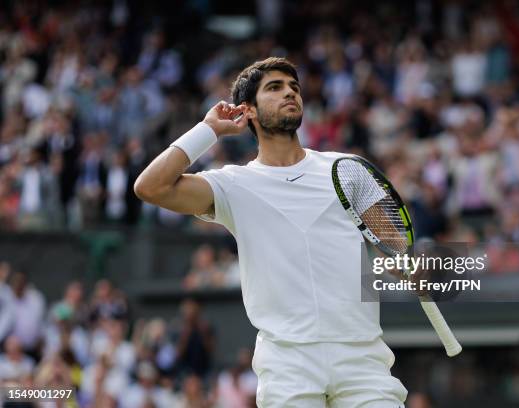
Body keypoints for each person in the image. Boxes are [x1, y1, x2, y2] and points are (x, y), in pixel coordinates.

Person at [134, 57, 407, 407]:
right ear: (248, 111)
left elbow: (398, 250)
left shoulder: (347, 169)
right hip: (287, 364)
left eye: (294, 87)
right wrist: (209, 130)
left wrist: (416, 266)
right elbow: (149, 187)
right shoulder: (233, 184)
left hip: (363, 359)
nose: (290, 93)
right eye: (275, 88)